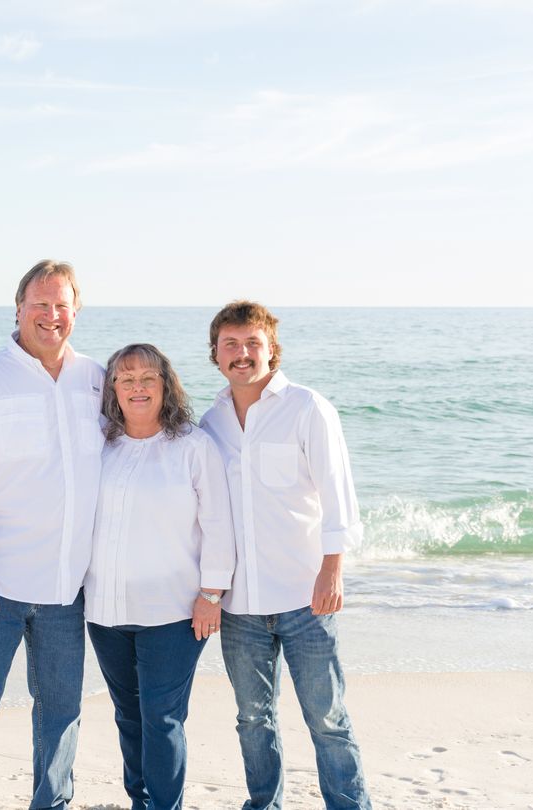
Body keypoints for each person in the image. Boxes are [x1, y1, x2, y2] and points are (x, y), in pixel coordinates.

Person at [0, 260, 104, 810]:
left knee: (60, 717)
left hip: (67, 591)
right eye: (40, 304)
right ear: (18, 309)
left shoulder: (98, 380)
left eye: (61, 305)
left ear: (75, 312)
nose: (50, 316)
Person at [199, 300, 371, 810]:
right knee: (253, 719)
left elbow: (340, 495)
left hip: (305, 597)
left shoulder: (307, 408)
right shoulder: (211, 423)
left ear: (272, 349)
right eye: (230, 344)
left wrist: (332, 569)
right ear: (215, 354)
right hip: (240, 608)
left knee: (328, 718)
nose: (242, 353)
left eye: (253, 342)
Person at [84, 343, 235, 810]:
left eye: (148, 378)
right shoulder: (98, 442)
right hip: (105, 610)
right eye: (126, 379)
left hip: (172, 611)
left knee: (162, 717)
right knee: (129, 716)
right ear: (112, 388)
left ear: (166, 385)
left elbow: (218, 525)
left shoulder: (192, 445)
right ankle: (140, 800)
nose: (137, 388)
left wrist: (212, 593)